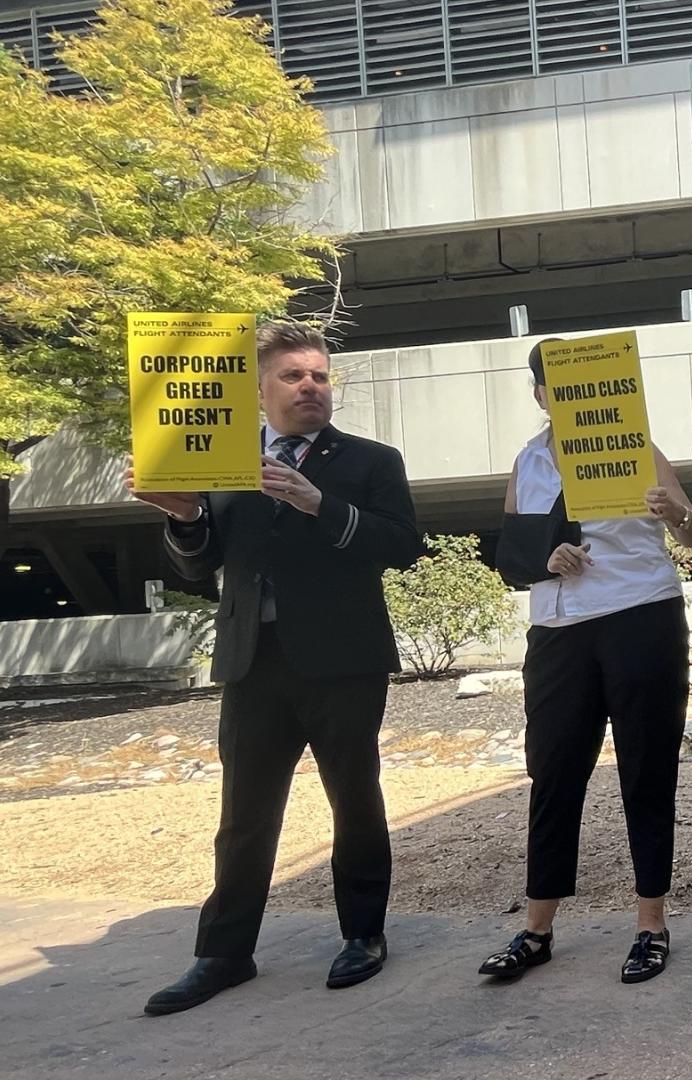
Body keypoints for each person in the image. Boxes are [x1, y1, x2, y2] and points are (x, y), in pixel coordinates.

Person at [126, 321, 424, 1015]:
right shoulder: (218, 459)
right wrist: (182, 518)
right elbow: (202, 564)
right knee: (245, 815)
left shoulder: (371, 460)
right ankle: (224, 953)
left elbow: (403, 545)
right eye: (293, 376)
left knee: (354, 800)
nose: (311, 386)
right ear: (258, 390)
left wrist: (321, 505)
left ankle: (363, 934)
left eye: (320, 376)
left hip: (344, 660)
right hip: (252, 661)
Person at [476, 340, 692, 985]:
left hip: (641, 614)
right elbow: (511, 559)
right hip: (558, 631)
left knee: (646, 766)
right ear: (541, 395)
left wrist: (676, 512)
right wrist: (546, 559)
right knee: (552, 773)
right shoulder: (528, 461)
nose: (568, 394)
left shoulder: (635, 444)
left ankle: (651, 923)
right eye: (555, 386)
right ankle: (536, 928)